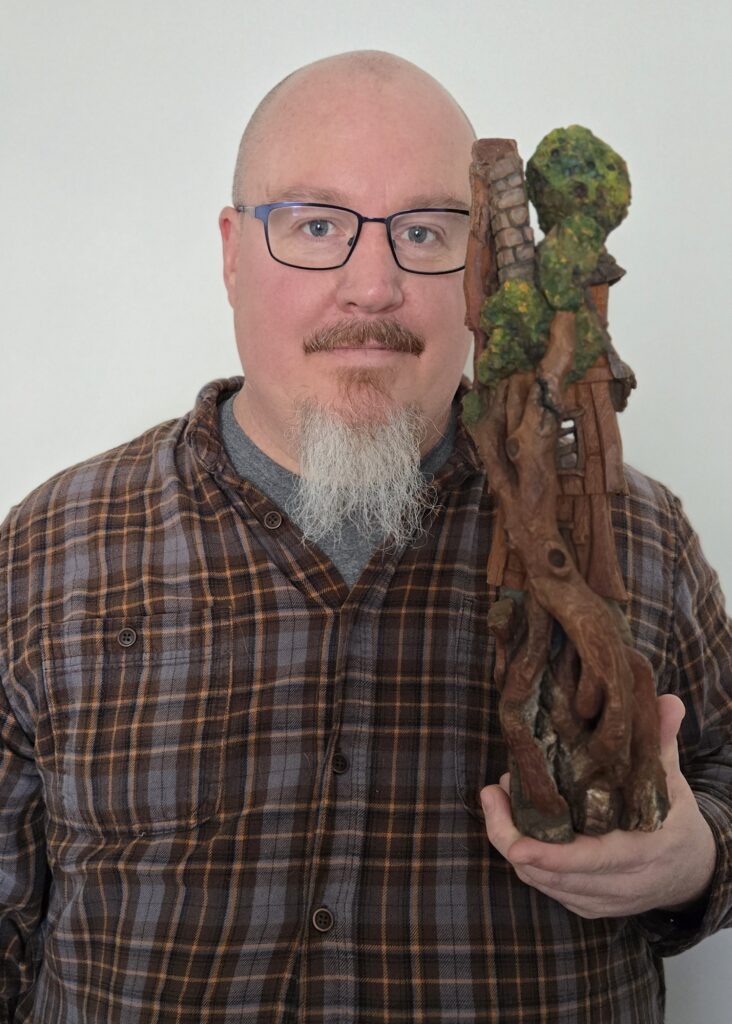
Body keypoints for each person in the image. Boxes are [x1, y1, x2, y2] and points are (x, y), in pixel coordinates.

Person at [0, 50, 729, 1024]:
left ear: (484, 262)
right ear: (231, 250)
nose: (373, 287)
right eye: (316, 225)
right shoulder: (49, 548)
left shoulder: (635, 531)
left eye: (425, 231)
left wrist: (696, 858)